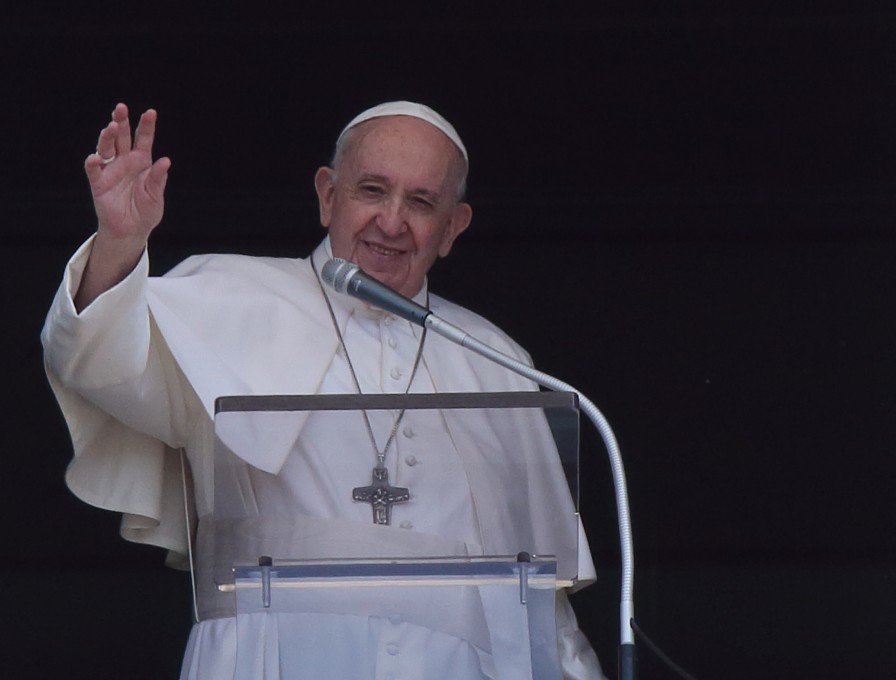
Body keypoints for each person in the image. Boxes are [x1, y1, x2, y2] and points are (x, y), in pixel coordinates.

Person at [42, 101, 606, 679]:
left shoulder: (497, 362)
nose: (391, 222)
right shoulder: (228, 300)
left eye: (420, 202)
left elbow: (542, 597)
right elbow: (99, 360)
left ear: (453, 227)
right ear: (327, 195)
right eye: (371, 190)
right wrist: (118, 241)